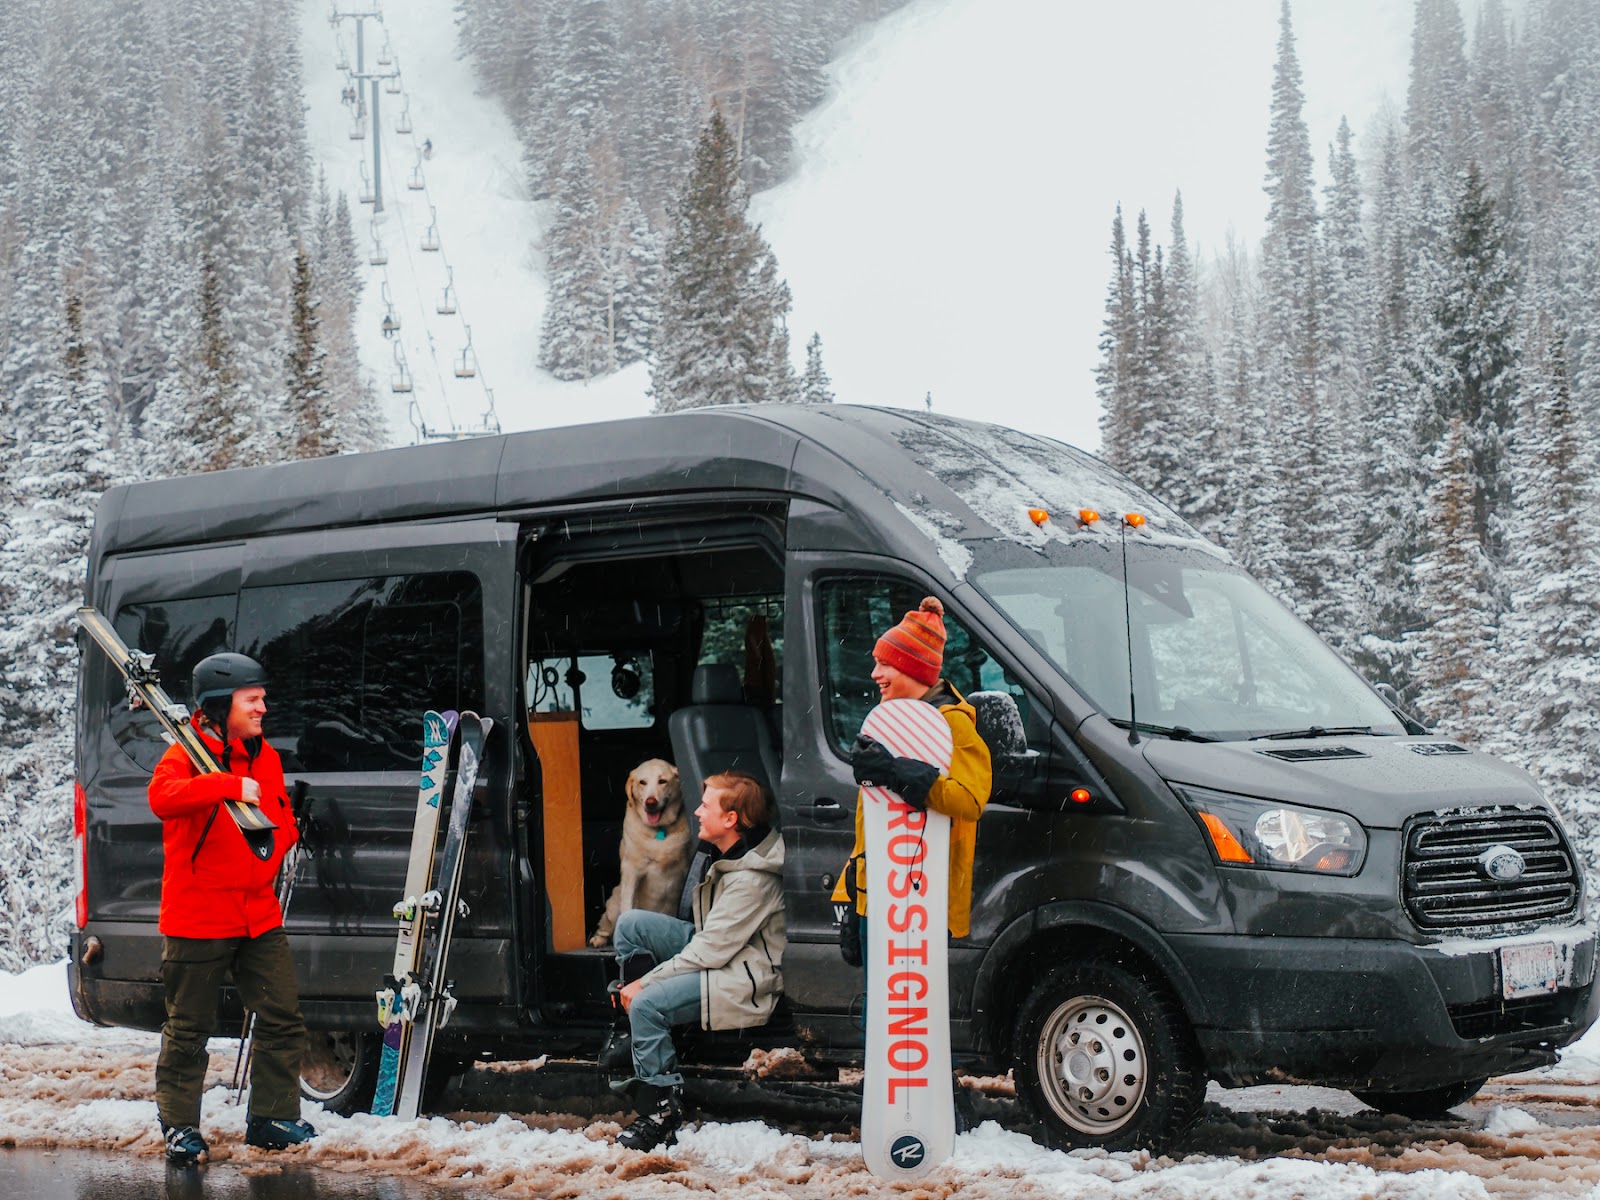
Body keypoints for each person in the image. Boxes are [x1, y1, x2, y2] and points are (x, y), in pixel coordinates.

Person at [148, 652, 316, 1166]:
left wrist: (279, 840)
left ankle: (270, 1118)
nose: (264, 706)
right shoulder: (187, 752)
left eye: (262, 697)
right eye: (253, 698)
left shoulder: (264, 755)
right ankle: (180, 1127)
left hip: (257, 914)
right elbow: (162, 796)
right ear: (223, 706)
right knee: (189, 1029)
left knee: (283, 1016)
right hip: (197, 917)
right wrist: (223, 784)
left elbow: (280, 814)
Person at [830, 596, 992, 1120]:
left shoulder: (956, 726)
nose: (874, 672)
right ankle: (893, 1115)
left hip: (921, 897)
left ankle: (940, 1116)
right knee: (882, 1012)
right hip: (878, 895)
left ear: (914, 670)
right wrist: (849, 901)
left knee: (913, 1012)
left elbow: (969, 800)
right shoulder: (885, 723)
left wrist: (905, 773)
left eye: (885, 664)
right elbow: (868, 828)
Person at [609, 770, 786, 1151]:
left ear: (730, 820)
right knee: (631, 924)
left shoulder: (753, 879)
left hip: (740, 975)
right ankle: (643, 1036)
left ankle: (660, 1113)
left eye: (706, 806)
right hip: (721, 952)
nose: (697, 813)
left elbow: (710, 951)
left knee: (647, 1002)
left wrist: (646, 984)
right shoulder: (727, 854)